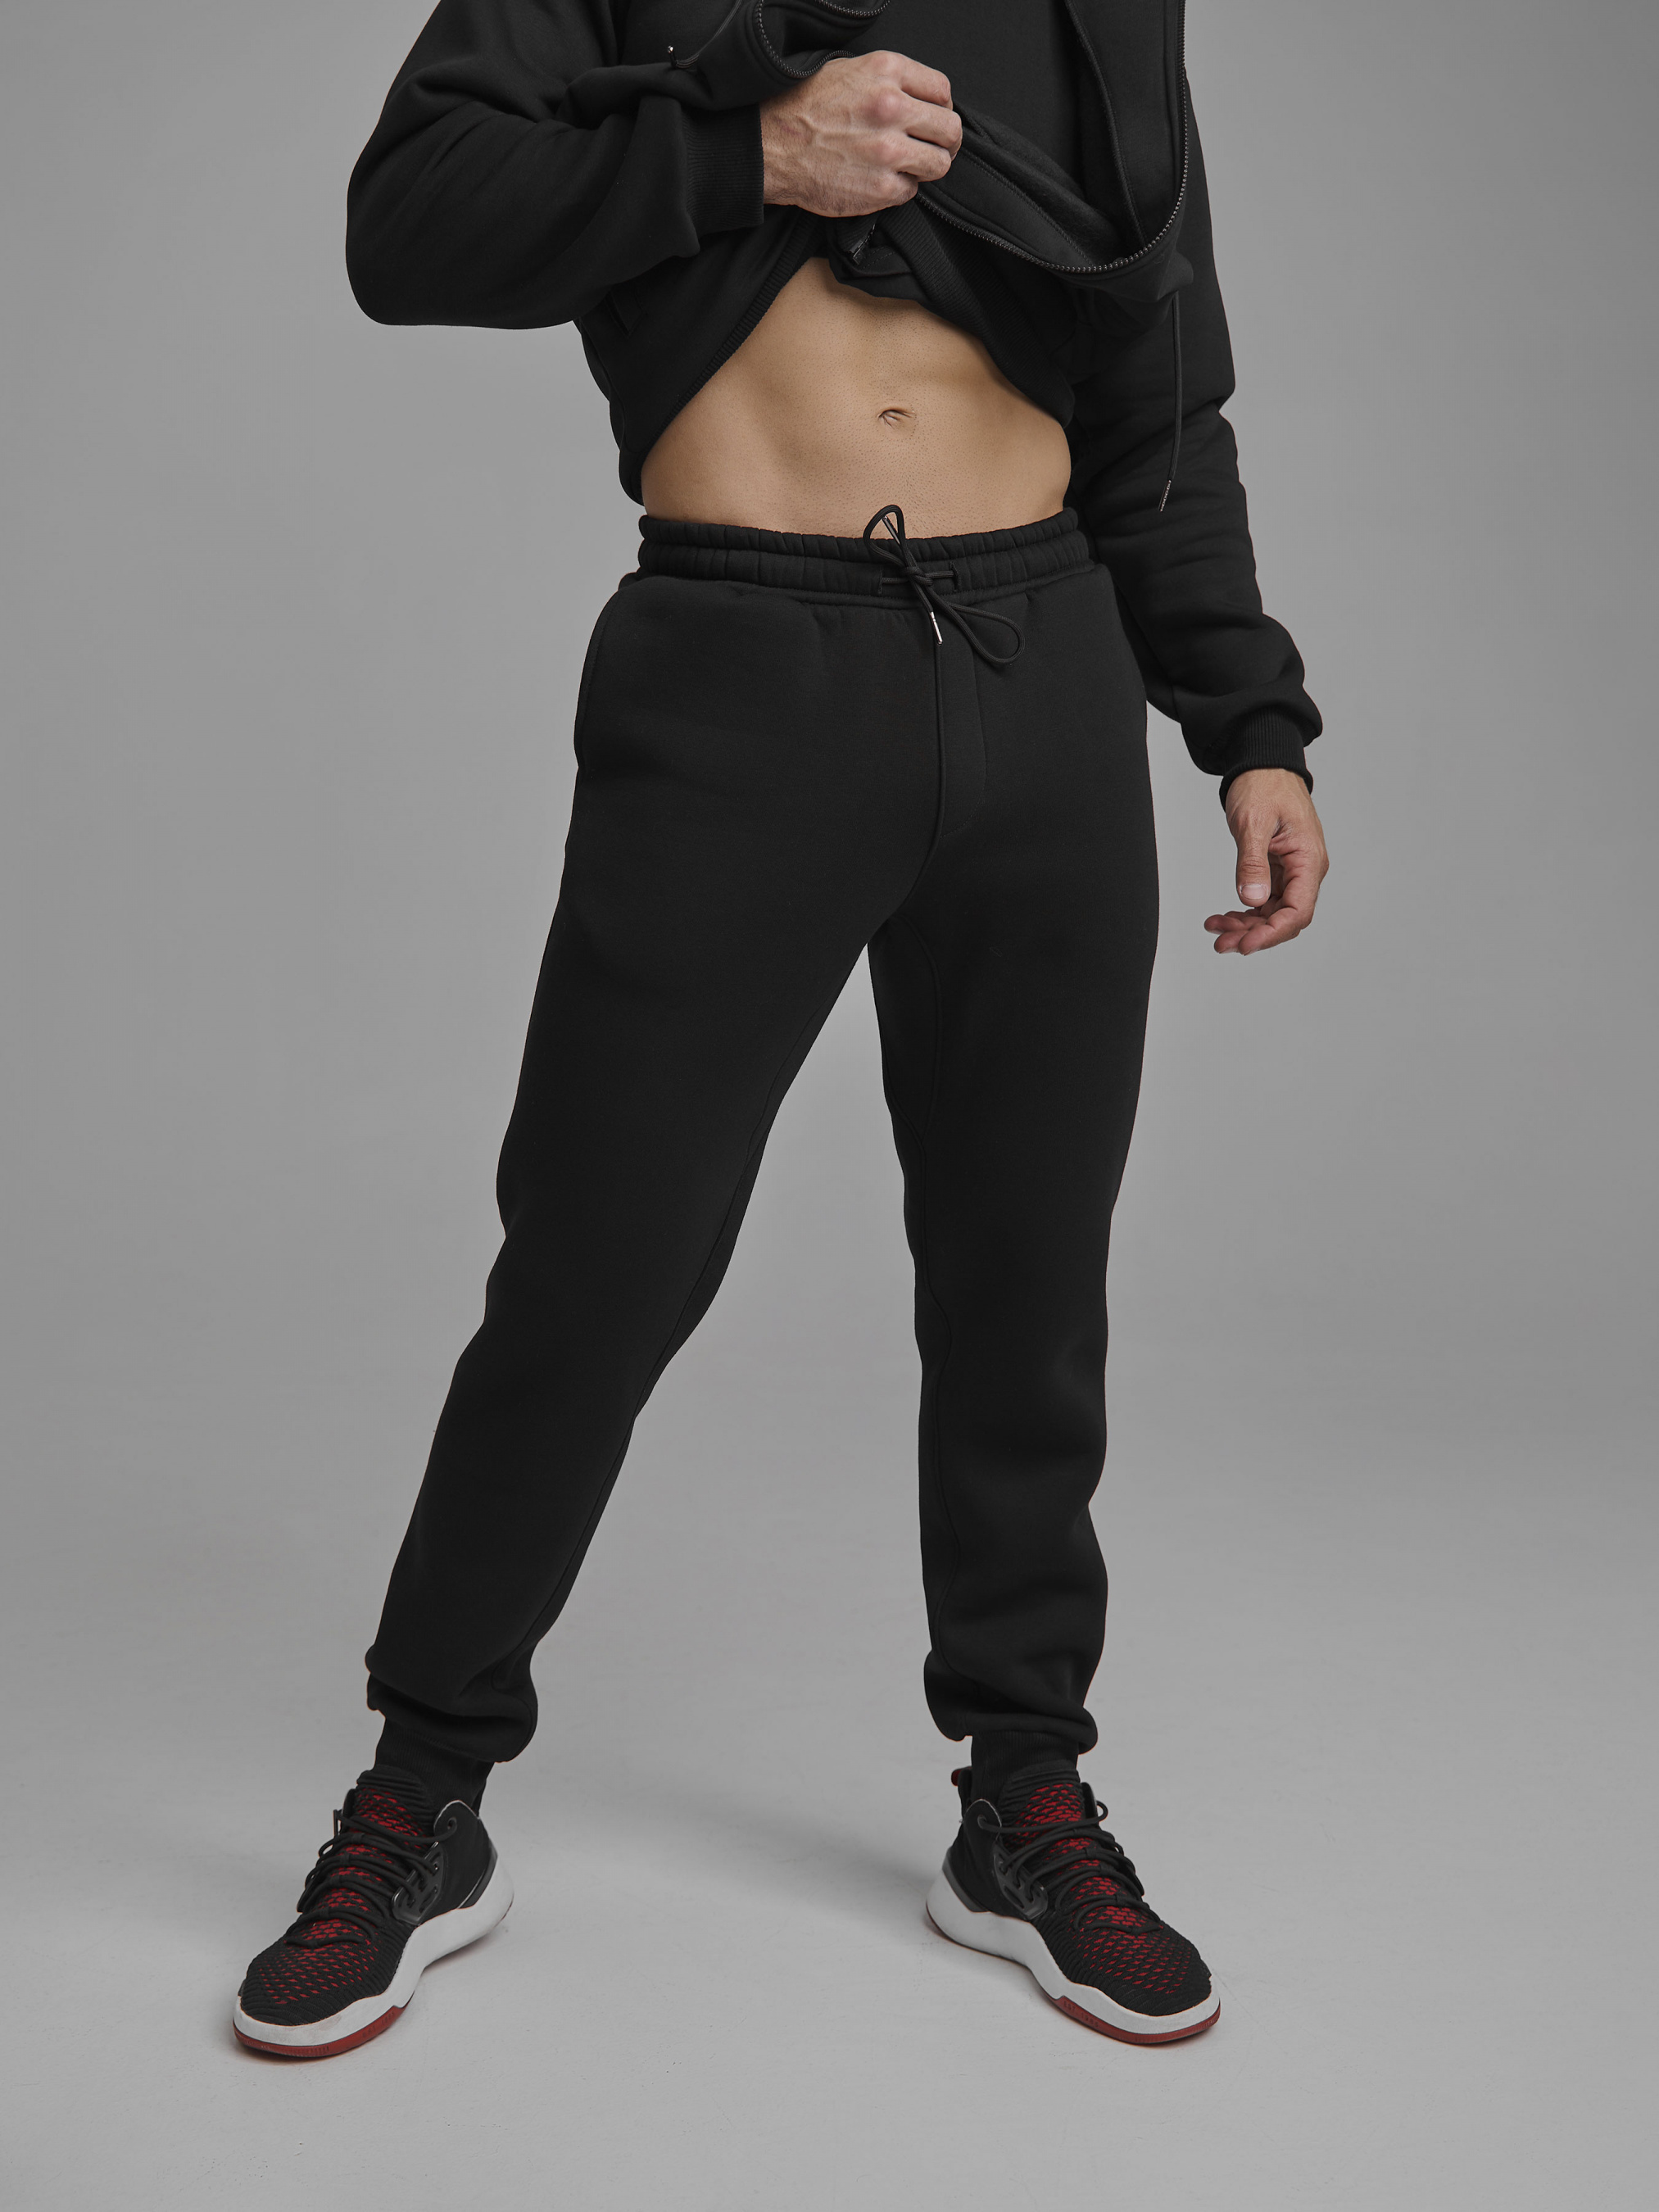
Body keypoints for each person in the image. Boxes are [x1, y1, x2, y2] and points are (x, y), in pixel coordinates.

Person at [233, 0, 1327, 2059]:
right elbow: (410, 226)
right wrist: (746, 155)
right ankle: (423, 1789)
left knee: (1024, 1280)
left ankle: (1021, 1795)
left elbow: (1161, 373)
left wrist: (1244, 716)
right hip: (739, 661)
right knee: (598, 1264)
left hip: (1046, 660)